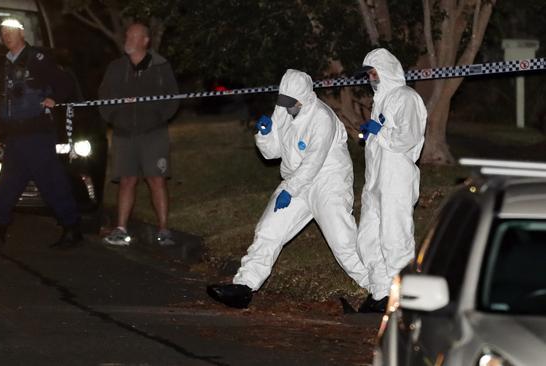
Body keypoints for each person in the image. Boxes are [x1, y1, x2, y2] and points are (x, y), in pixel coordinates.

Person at [207, 69, 371, 309]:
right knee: (268, 229)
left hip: (328, 181)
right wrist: (264, 135)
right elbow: (272, 153)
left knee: (343, 240)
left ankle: (379, 288)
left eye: (290, 102)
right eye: (282, 100)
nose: (285, 106)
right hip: (297, 180)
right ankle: (244, 286)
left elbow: (314, 161)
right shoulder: (284, 108)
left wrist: (290, 190)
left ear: (304, 96)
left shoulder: (321, 117)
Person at [0, 18, 82, 249]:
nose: (6, 36)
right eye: (2, 32)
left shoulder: (38, 59)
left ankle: (72, 228)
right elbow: (6, 103)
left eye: (10, 31)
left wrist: (54, 99)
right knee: (7, 185)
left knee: (51, 183)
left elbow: (65, 83)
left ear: (22, 32)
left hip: (37, 135)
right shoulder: (7, 63)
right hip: (16, 136)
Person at [355, 48, 427, 312]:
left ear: (386, 71)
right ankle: (380, 294)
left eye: (373, 73)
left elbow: (406, 138)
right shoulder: (381, 101)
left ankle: (405, 298)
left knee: (395, 238)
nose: (371, 79)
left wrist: (380, 132)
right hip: (376, 180)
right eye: (368, 75)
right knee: (368, 238)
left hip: (397, 176)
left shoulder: (405, 97)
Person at [98, 23, 179, 247]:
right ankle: (120, 229)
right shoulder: (116, 68)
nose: (129, 39)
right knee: (127, 180)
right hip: (124, 134)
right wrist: (116, 117)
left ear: (145, 41)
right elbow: (103, 97)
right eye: (127, 35)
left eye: (134, 36)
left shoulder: (161, 67)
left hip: (154, 133)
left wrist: (156, 118)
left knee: (157, 180)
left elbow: (172, 98)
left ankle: (164, 229)